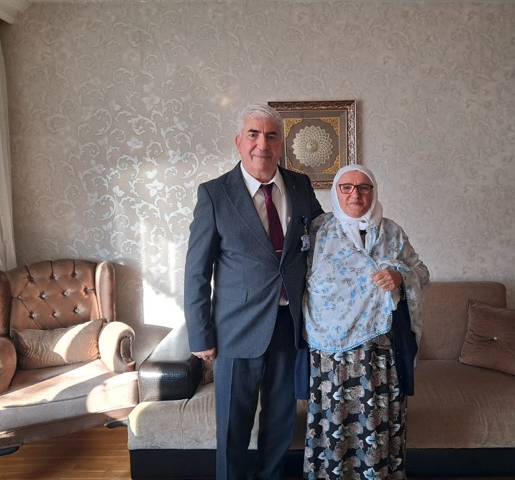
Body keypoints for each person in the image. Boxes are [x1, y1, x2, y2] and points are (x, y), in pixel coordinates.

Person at [184, 103, 324, 480]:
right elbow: (196, 271)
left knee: (280, 424)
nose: (263, 144)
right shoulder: (214, 194)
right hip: (235, 330)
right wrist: (200, 335)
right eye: (253, 134)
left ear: (281, 144)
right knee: (233, 427)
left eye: (271, 136)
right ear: (239, 142)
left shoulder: (300, 185)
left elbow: (323, 239)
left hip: (289, 326)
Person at [302, 164, 430, 479]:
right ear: (336, 192)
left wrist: (400, 276)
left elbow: (421, 271)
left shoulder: (391, 231)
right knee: (336, 424)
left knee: (376, 422)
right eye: (346, 187)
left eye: (363, 187)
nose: (355, 194)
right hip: (331, 354)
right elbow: (300, 279)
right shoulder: (318, 231)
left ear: (373, 192)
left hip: (380, 352)